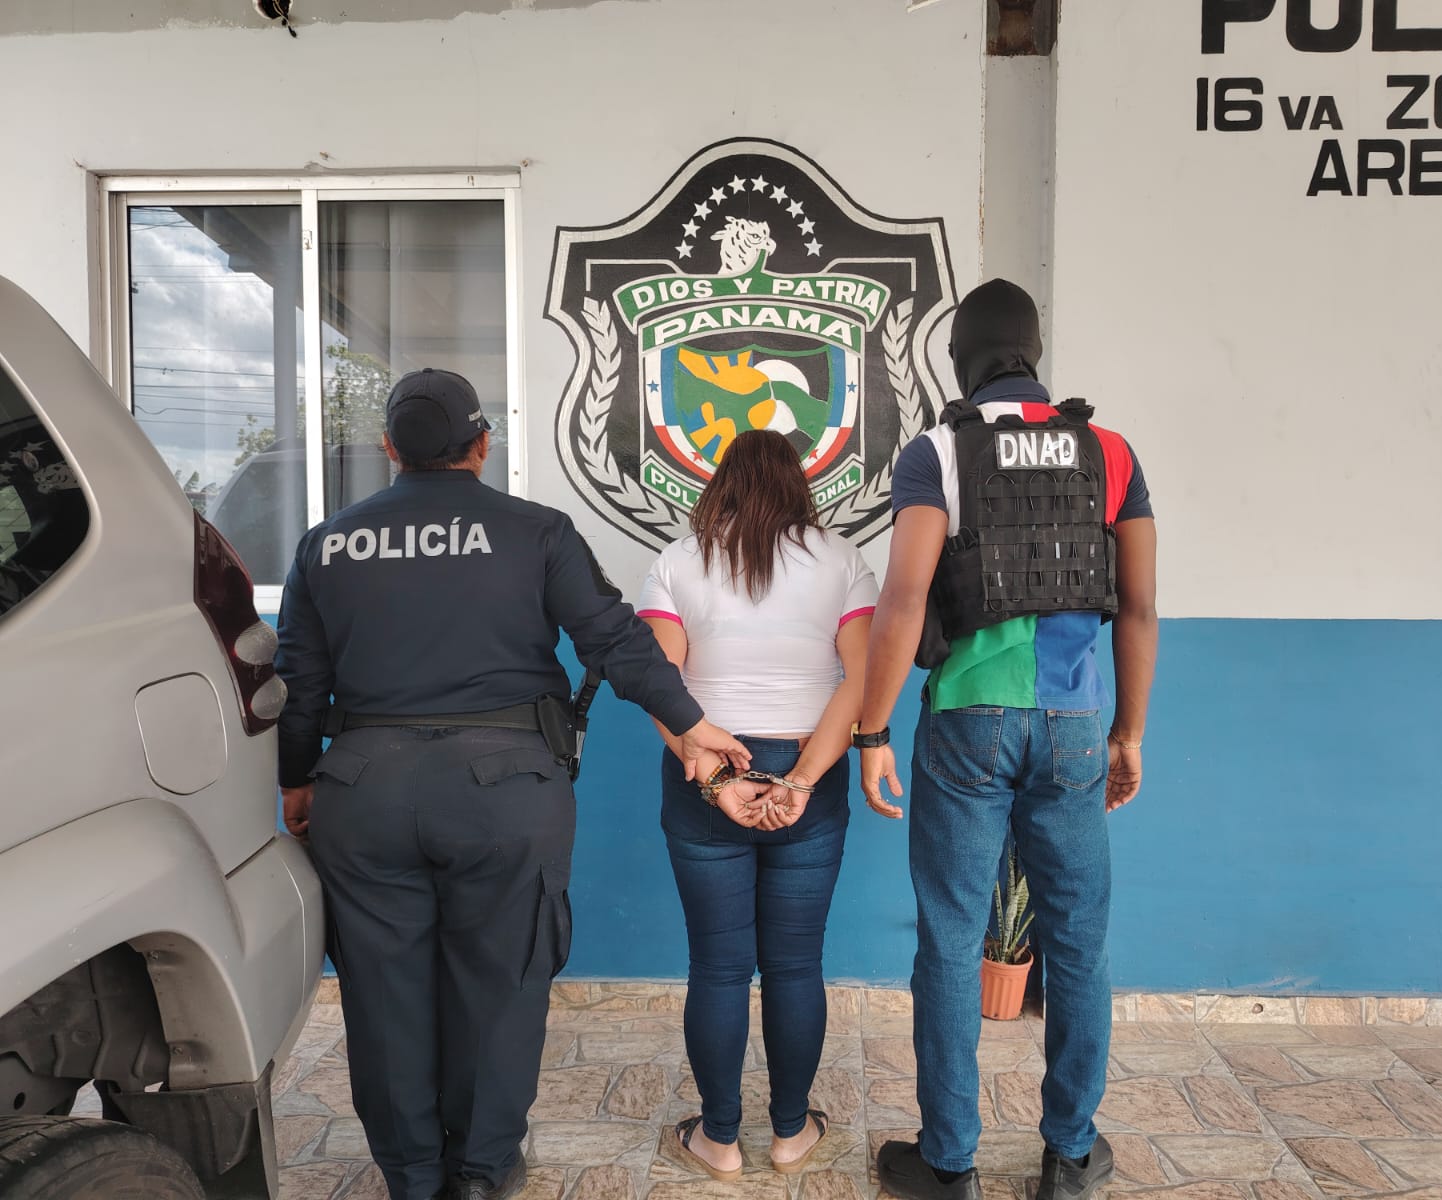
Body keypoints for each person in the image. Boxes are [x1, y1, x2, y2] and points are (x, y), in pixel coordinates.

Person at [273, 367, 749, 1200]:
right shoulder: (537, 531)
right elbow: (614, 641)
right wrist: (692, 723)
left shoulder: (326, 543)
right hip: (505, 791)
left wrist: (295, 781)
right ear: (482, 444)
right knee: (502, 985)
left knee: (382, 995)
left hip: (361, 788)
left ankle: (411, 1177)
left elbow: (299, 680)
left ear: (388, 448)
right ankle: (482, 1171)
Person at [856, 280, 1158, 1200]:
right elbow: (1138, 608)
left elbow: (905, 598)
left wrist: (872, 731)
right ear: (1033, 352)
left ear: (962, 361)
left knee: (951, 941)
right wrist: (1128, 733)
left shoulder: (938, 451)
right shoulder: (1110, 452)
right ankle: (1070, 1155)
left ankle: (949, 1164)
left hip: (967, 721)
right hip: (1073, 724)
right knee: (1078, 943)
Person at [636, 429, 886, 1183]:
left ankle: (718, 1139)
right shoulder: (842, 561)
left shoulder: (678, 561)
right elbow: (862, 680)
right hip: (810, 771)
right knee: (795, 964)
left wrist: (715, 779)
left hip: (706, 775)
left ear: (721, 483)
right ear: (797, 484)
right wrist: (801, 780)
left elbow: (661, 685)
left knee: (717, 968)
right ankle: (789, 1132)